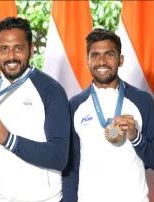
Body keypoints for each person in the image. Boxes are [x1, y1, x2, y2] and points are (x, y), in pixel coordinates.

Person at [0, 17, 70, 202]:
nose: (11, 56)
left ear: (31, 50)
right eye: (4, 49)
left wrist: (9, 139)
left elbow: (59, 157)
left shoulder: (51, 90)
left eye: (18, 48)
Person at [62, 28, 154, 202]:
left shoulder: (142, 101)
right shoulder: (75, 105)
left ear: (120, 60)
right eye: (95, 55)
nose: (101, 61)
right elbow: (71, 169)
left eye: (109, 54)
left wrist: (136, 138)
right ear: (87, 61)